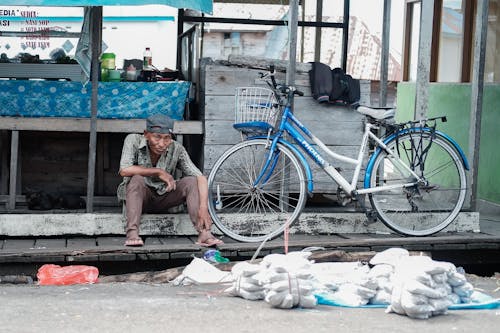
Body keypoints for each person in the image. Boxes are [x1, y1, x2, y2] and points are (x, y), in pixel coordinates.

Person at [117, 114, 224, 247]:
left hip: (165, 199)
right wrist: (158, 172)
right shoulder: (133, 140)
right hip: (140, 199)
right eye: (157, 137)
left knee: (191, 181)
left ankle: (204, 233)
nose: (162, 144)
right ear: (146, 134)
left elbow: (200, 177)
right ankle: (132, 233)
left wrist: (203, 207)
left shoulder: (176, 148)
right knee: (136, 179)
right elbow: (124, 170)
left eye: (167, 138)